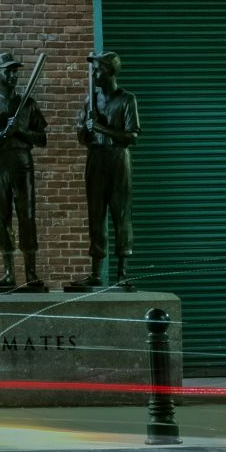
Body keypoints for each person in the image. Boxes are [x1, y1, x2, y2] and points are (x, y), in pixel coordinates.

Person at [0, 52, 47, 289]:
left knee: (27, 215)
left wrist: (20, 132)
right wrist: (1, 133)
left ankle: (31, 272)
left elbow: (42, 138)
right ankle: (8, 272)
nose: (13, 75)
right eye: (8, 71)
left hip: (21, 162)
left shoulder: (28, 103)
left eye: (15, 71)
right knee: (1, 217)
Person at [72, 51, 140, 289]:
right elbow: (81, 135)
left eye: (98, 70)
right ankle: (96, 273)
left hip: (118, 159)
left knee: (121, 215)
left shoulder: (127, 99)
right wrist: (86, 128)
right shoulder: (90, 100)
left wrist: (102, 127)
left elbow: (132, 136)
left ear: (110, 72)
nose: (94, 74)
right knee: (96, 215)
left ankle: (122, 272)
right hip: (96, 158)